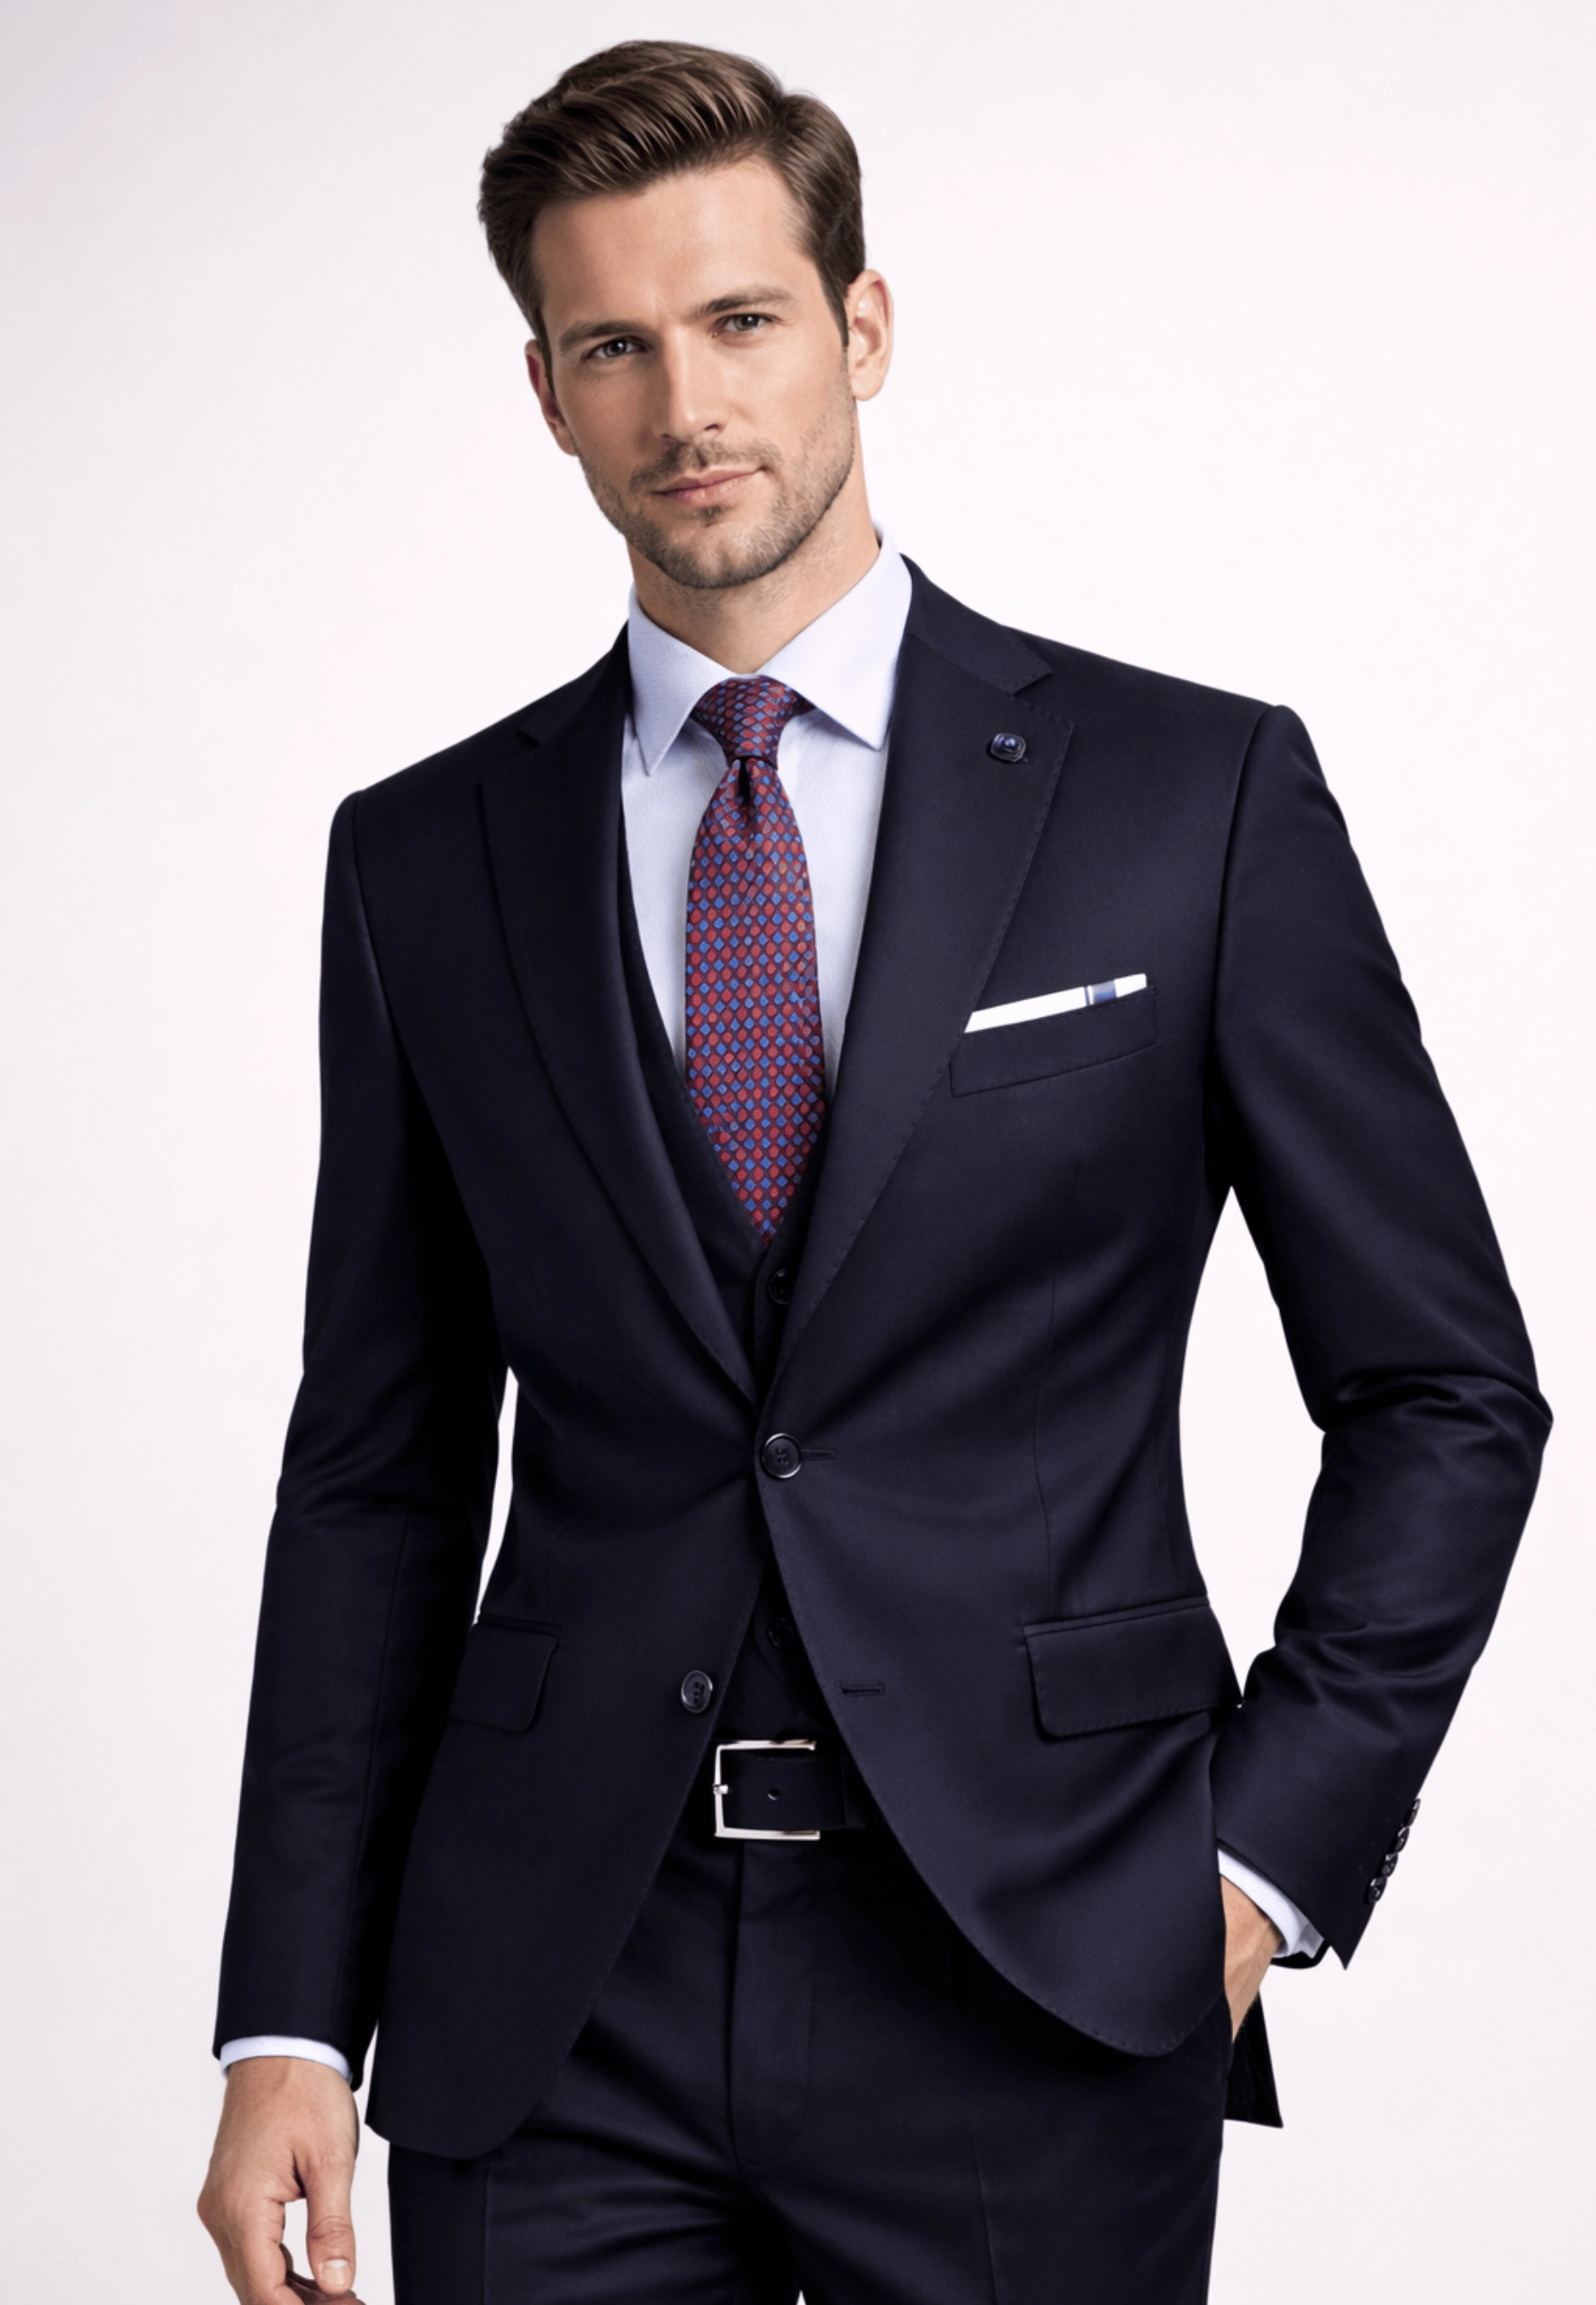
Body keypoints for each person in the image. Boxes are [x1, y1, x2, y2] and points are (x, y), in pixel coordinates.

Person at [198, 40, 1548, 2305]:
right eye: (612, 347)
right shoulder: (424, 858)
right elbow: (376, 1472)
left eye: (739, 320)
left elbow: (1445, 1389)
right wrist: (284, 2019)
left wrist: (1255, 1865)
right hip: (556, 1987)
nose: (685, 404)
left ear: (863, 326)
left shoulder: (1186, 797)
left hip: (1042, 1954)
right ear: (545, 395)